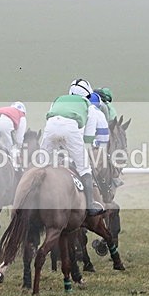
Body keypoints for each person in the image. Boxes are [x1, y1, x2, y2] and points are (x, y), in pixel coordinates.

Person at [40, 78, 103, 216]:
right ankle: (90, 206)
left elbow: (52, 121)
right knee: (84, 168)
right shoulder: (89, 107)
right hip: (70, 130)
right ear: (87, 94)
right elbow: (87, 138)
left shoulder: (57, 100)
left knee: (41, 165)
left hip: (50, 127)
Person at [0, 101, 27, 169]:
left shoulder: (7, 109)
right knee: (12, 149)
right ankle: (16, 169)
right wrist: (19, 148)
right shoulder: (21, 115)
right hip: (5, 122)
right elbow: (19, 138)